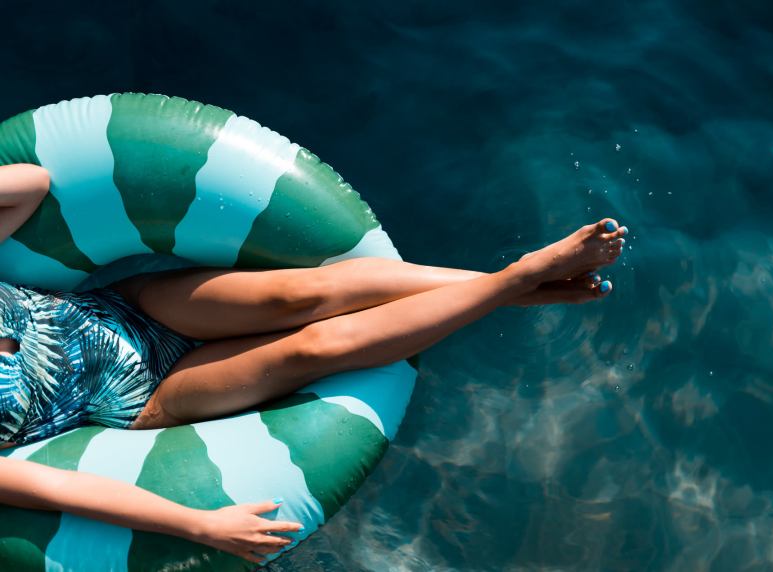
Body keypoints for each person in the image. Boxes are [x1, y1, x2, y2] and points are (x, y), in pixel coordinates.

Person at [0, 163, 627, 562]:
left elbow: (29, 183)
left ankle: (519, 288)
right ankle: (521, 280)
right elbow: (56, 487)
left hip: (128, 310)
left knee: (302, 294)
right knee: (313, 348)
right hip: (144, 399)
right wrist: (198, 525)